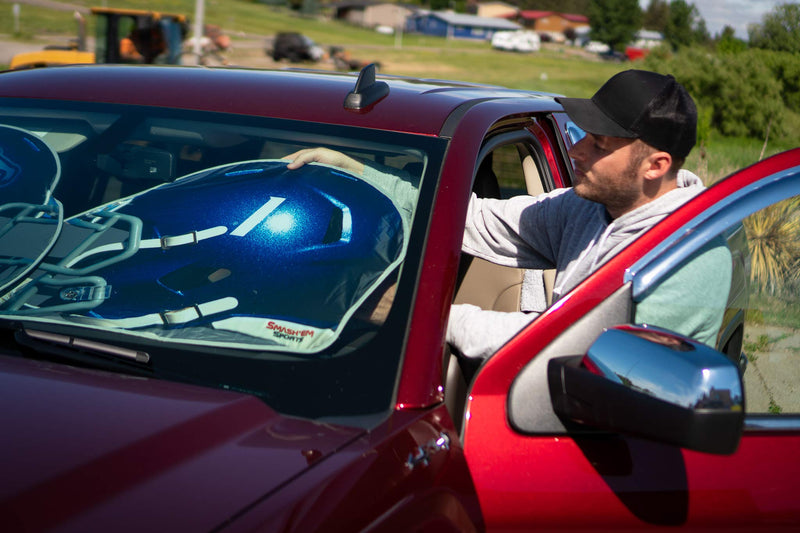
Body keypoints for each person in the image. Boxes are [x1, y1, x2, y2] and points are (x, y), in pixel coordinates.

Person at [284, 69, 731, 359]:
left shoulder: (687, 259)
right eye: (583, 135)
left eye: (599, 145)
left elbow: (575, 348)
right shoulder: (584, 209)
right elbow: (471, 220)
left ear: (657, 166)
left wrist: (423, 312)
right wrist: (362, 173)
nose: (576, 150)